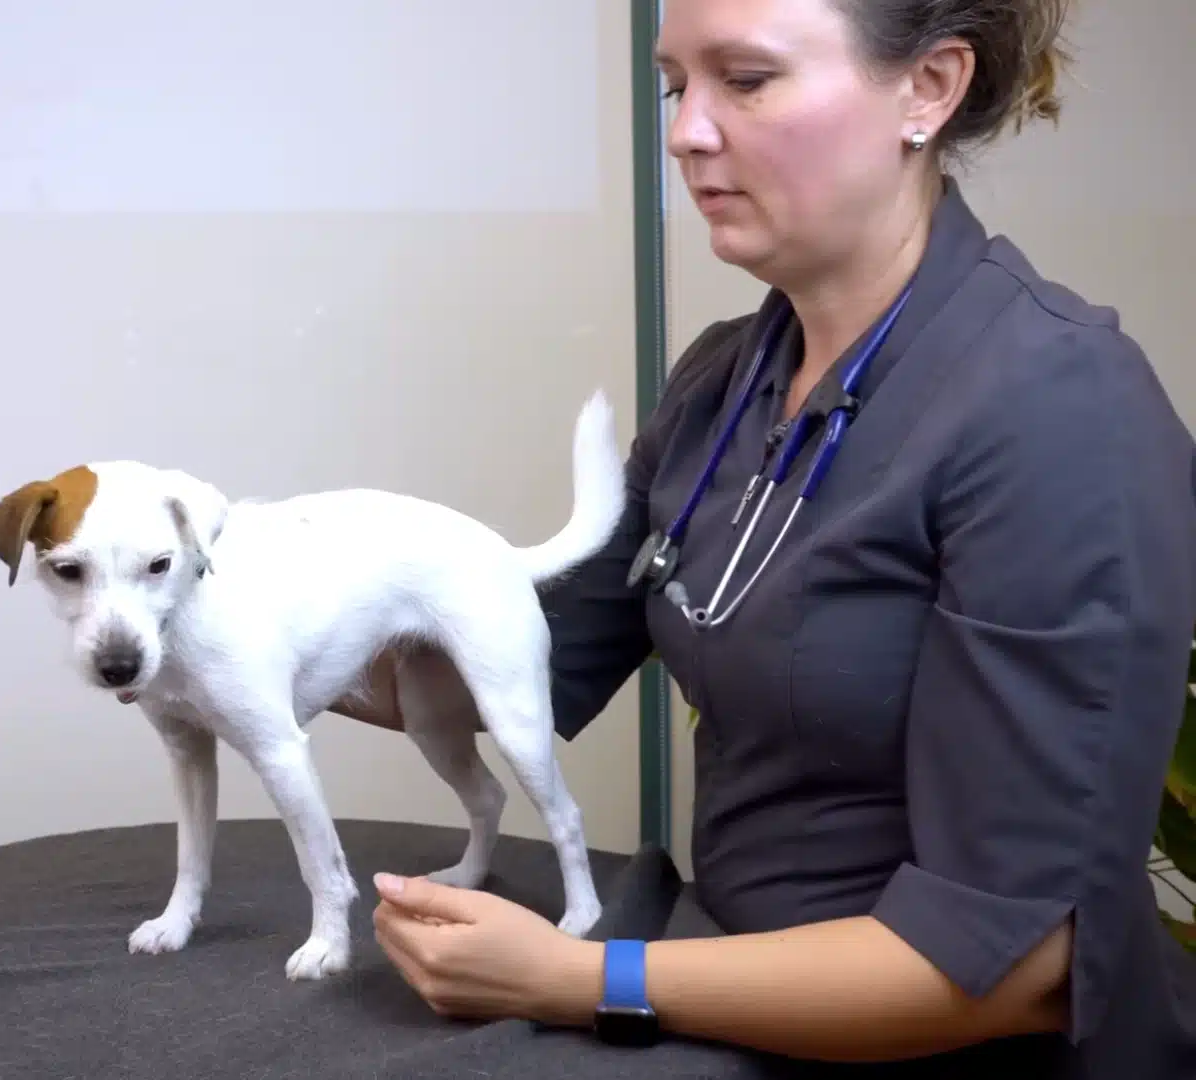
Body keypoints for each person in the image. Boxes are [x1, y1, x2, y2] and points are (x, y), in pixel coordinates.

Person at [367, 0, 1196, 1075]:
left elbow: (1020, 957)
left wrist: (584, 981)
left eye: (745, 80)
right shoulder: (726, 379)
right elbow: (513, 660)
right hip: (738, 983)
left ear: (930, 88)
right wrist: (218, 616)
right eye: (676, 87)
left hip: (946, 1044)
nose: (687, 132)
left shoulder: (1058, 407)